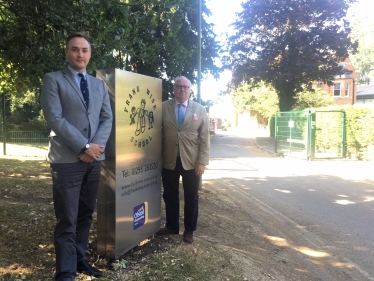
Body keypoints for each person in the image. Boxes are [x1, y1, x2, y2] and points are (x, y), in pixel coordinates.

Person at [41, 32, 113, 280]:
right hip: (66, 161)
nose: (80, 54)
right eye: (75, 49)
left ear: (90, 54)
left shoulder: (98, 85)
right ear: (67, 52)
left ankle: (80, 260)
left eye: (84, 50)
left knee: (84, 215)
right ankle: (65, 272)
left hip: (94, 162)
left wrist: (95, 149)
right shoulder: (53, 80)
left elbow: (107, 118)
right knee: (66, 220)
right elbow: (55, 119)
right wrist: (84, 147)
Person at [157, 76, 210, 244]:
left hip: (191, 161)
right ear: (173, 88)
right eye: (179, 86)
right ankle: (172, 225)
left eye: (185, 87)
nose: (182, 89)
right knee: (170, 195)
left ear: (190, 90)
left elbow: (205, 138)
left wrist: (202, 162)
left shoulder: (200, 109)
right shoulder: (163, 107)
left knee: (191, 197)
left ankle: (189, 230)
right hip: (169, 159)